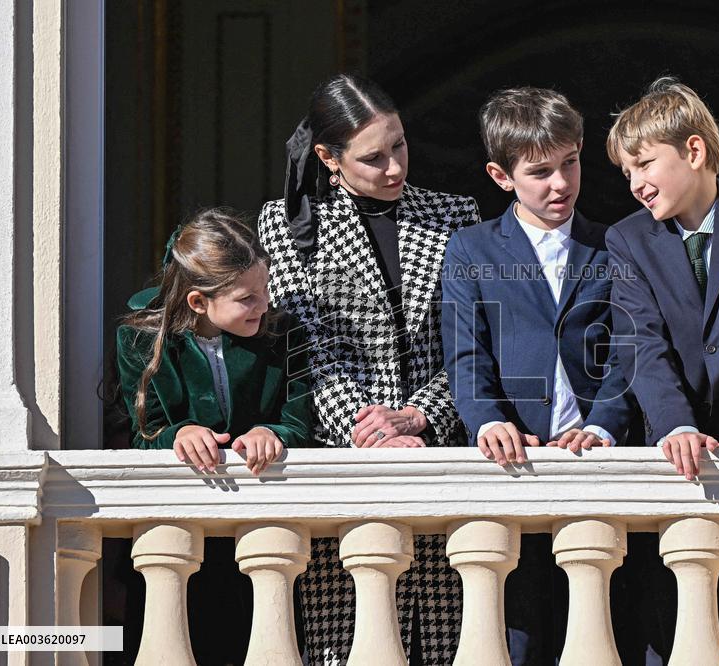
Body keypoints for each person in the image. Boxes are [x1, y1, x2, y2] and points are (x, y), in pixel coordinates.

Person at [257, 73, 480, 664]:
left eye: (399, 146)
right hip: (344, 469)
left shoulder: (455, 214)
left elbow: (470, 345)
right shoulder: (285, 224)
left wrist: (418, 418)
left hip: (438, 459)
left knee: (445, 644)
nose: (393, 167)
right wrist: (367, 428)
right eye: (373, 157)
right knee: (349, 643)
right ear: (329, 158)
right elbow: (305, 352)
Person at [441, 86, 636, 665]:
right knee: (515, 635)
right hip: (512, 465)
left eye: (570, 163)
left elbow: (630, 351)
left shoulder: (614, 243)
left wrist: (602, 425)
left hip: (594, 464)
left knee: (598, 631)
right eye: (540, 171)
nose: (560, 183)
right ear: (502, 177)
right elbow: (465, 352)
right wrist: (487, 420)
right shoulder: (470, 248)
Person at [605, 76, 719, 664]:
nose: (635, 184)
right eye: (626, 173)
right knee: (670, 625)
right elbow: (642, 345)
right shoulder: (627, 240)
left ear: (693, 151)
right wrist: (676, 427)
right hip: (673, 459)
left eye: (643, 164)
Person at [117, 207, 312, 475]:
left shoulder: (283, 333)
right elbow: (145, 435)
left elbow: (300, 422)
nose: (265, 305)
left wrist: (271, 433)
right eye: (247, 298)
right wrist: (180, 434)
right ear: (198, 301)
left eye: (266, 288)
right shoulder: (141, 339)